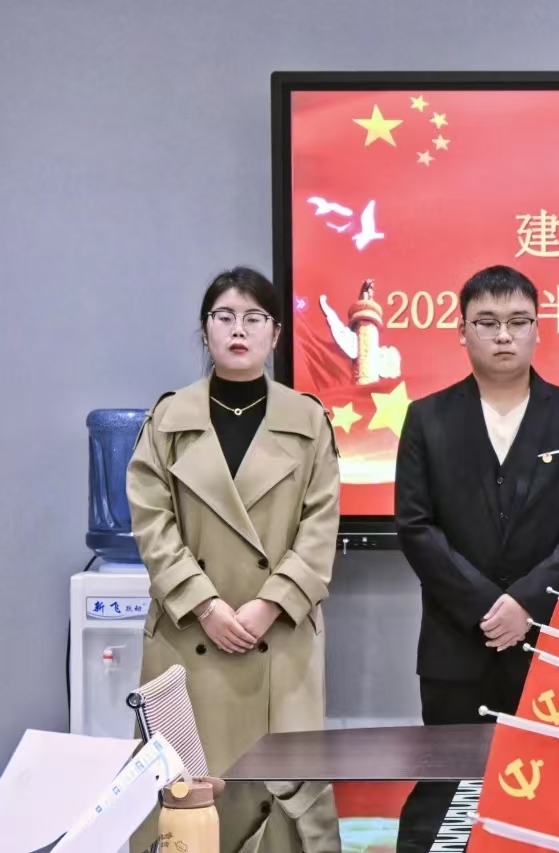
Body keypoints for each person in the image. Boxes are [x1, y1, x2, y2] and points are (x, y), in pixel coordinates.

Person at [394, 265, 559, 851]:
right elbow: (416, 527)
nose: (503, 335)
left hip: (551, 642)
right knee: (447, 798)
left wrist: (525, 605)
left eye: (518, 322)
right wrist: (485, 607)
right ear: (461, 331)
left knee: (552, 799)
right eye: (486, 322)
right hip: (454, 643)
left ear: (538, 330)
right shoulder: (427, 417)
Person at [127, 267, 340, 853]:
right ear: (205, 331)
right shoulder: (169, 420)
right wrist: (207, 606)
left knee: (284, 791)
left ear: (275, 334)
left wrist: (270, 605)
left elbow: (320, 528)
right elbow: (151, 523)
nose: (238, 330)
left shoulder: (308, 420)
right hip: (188, 635)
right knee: (185, 792)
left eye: (253, 318)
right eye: (224, 317)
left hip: (280, 637)